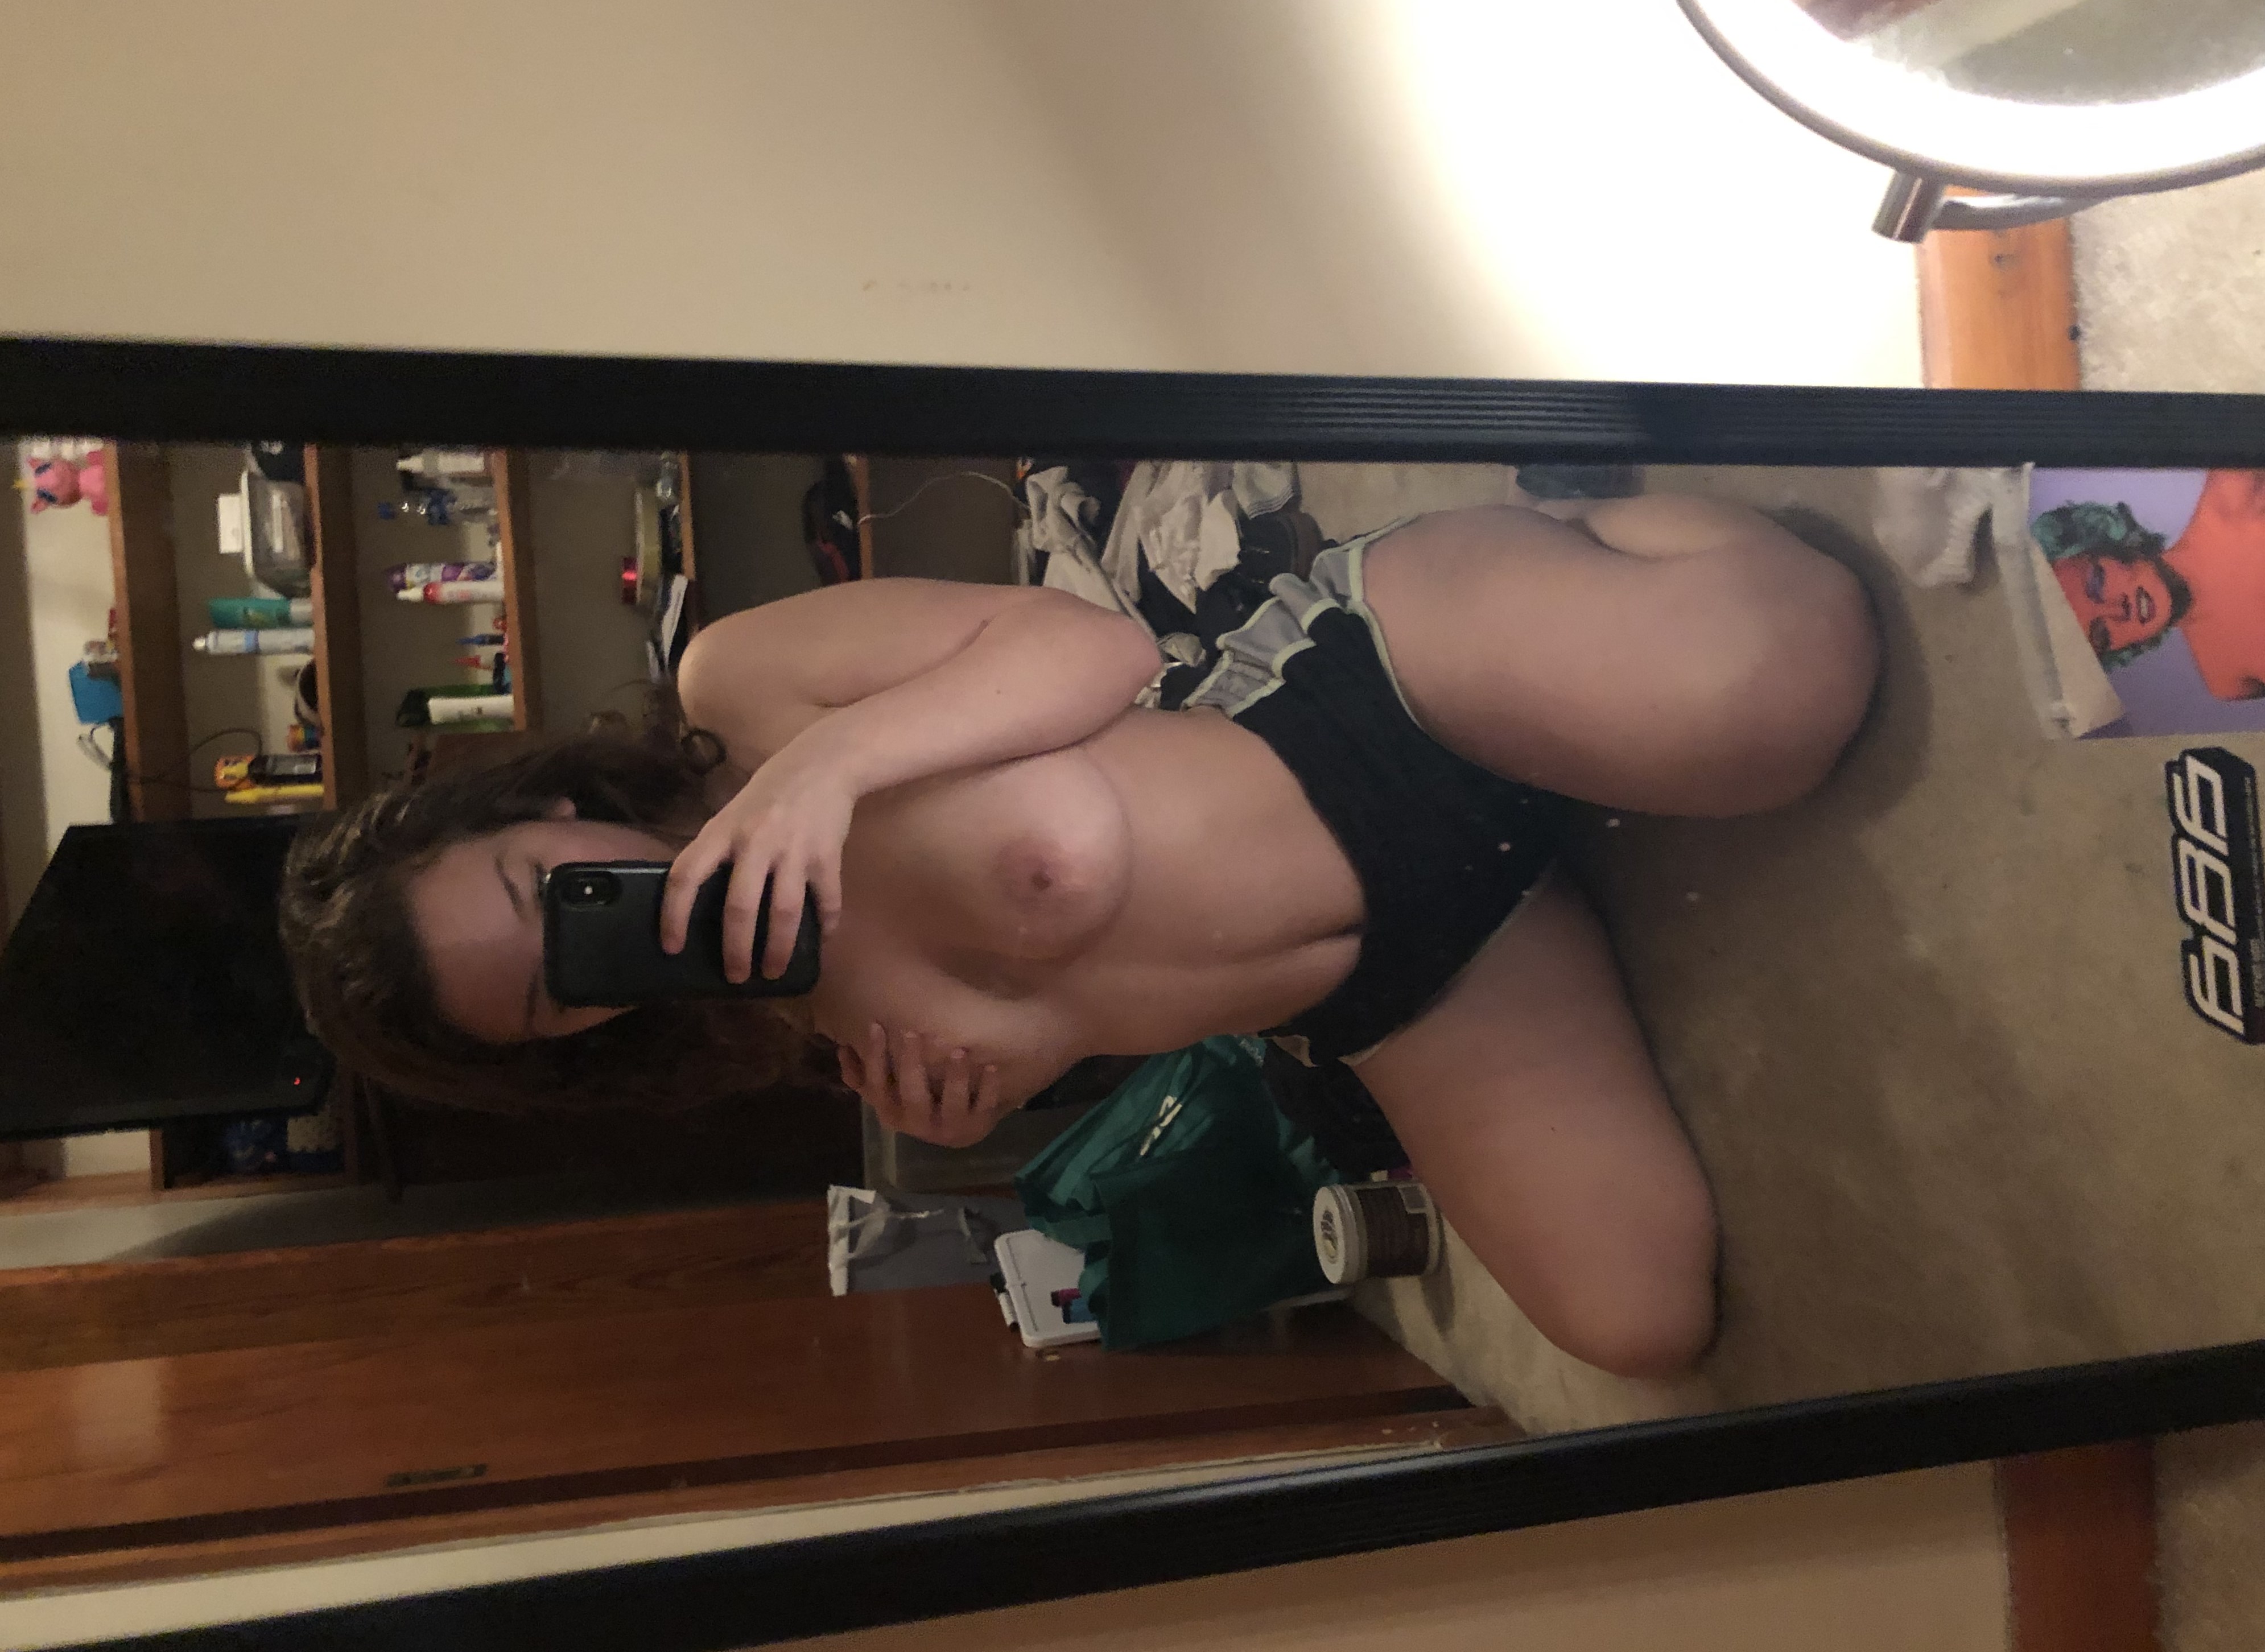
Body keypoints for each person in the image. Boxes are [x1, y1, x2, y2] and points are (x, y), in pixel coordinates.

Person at [282, 494, 1878, 1380]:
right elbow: (1123, 985)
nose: (587, 954)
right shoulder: (771, 1010)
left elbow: (1092, 647)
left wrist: (827, 767)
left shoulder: (740, 691)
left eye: (539, 899)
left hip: (1367, 708)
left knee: (1780, 701)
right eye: (551, 999)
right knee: (1635, 1321)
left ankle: (1563, 547)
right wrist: (1005, 1079)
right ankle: (1567, 801)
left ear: (540, 809)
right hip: (1406, 980)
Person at [2041, 469, 2265, 697]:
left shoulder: (2234, 489)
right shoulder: (2224, 679)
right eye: (2101, 634)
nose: (2118, 610)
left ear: (2107, 543)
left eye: (2098, 584)